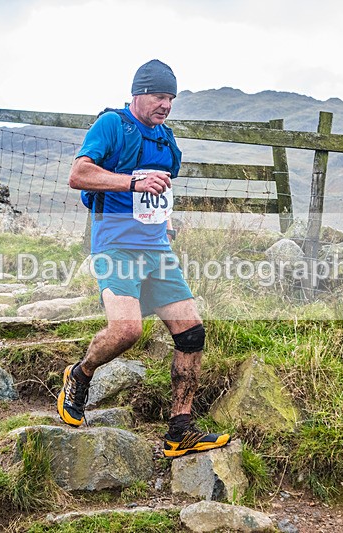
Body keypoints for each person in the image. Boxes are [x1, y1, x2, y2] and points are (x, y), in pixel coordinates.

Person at [58, 59, 230, 458]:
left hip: (157, 250)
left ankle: (179, 430)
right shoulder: (112, 126)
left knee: (192, 334)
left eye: (171, 97)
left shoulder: (167, 140)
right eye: (158, 95)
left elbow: (159, 191)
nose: (165, 104)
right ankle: (80, 375)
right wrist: (132, 180)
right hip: (115, 246)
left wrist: (165, 221)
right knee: (126, 331)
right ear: (138, 93)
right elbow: (79, 175)